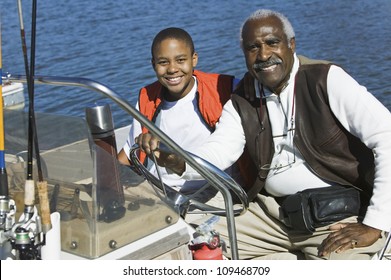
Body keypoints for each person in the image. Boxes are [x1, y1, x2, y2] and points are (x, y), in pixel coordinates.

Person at [136, 9, 391, 260]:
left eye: (272, 43)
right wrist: (177, 160)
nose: (264, 54)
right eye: (253, 47)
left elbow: (386, 136)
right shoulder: (241, 98)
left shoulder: (326, 79)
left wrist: (375, 223)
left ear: (291, 44)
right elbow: (219, 151)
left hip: (337, 216)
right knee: (191, 234)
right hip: (272, 214)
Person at [118, 27, 243, 213]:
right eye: (163, 62)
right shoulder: (147, 98)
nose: (172, 69)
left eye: (181, 60)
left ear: (194, 59)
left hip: (207, 190)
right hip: (156, 187)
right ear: (153, 64)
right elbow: (126, 156)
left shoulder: (225, 88)